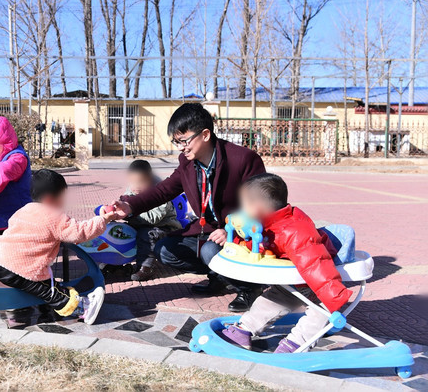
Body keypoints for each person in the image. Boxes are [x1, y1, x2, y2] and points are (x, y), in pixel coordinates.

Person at [109, 103, 266, 312]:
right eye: (176, 141)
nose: (181, 147)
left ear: (206, 134)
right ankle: (218, 276)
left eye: (184, 140)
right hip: (205, 230)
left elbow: (262, 203)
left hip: (240, 233)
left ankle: (250, 288)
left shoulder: (243, 159)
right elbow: (164, 190)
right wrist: (129, 206)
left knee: (211, 250)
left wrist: (232, 229)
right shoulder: (187, 162)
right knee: (165, 250)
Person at [219, 173, 353, 353]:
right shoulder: (263, 224)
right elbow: (257, 245)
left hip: (318, 280)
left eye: (243, 205)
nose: (241, 210)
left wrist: (333, 297)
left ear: (257, 207)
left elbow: (315, 263)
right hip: (295, 277)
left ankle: (296, 344)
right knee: (268, 301)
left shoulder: (296, 232)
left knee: (320, 312)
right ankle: (244, 330)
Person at [0, 169, 118, 325]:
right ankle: (82, 308)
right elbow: (79, 232)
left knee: (33, 285)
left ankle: (20, 310)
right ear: (50, 199)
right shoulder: (53, 215)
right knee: (50, 290)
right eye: (62, 197)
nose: (63, 203)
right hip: (17, 267)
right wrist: (102, 219)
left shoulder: (23, 210)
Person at [124, 160, 182, 281]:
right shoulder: (130, 192)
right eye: (133, 182)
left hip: (165, 228)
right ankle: (117, 260)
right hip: (140, 224)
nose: (136, 186)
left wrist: (130, 214)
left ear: (150, 180)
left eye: (141, 182)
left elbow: (153, 218)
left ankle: (146, 266)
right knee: (122, 230)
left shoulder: (160, 193)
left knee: (146, 234)